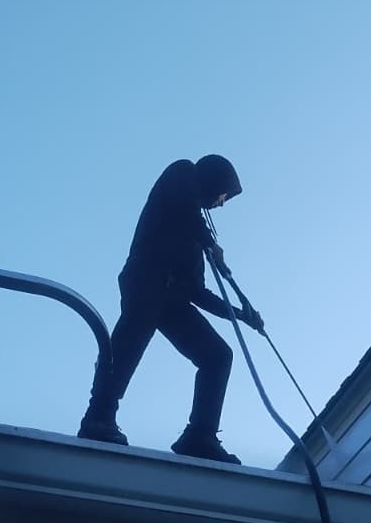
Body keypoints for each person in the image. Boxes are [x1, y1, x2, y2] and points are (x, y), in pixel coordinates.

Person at [78, 154, 264, 464]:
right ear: (215, 179)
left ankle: (200, 435)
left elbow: (198, 293)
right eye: (223, 196)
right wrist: (209, 243)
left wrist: (240, 314)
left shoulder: (195, 240)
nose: (220, 204)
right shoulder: (182, 173)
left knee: (218, 356)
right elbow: (185, 208)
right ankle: (98, 416)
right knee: (131, 339)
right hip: (146, 278)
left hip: (172, 297)